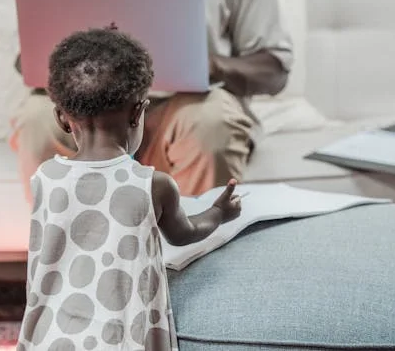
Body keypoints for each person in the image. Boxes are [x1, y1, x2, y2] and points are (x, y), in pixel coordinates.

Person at [10, 0, 293, 202]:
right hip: (89, 115)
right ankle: (65, 246)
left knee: (212, 122)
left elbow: (274, 70)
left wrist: (206, 64)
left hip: (185, 108)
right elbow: (27, 61)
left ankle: (200, 248)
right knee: (37, 118)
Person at [17, 28, 241, 350]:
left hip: (54, 334)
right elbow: (185, 234)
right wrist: (220, 212)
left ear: (62, 120)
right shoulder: (152, 185)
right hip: (124, 337)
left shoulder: (45, 178)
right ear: (139, 113)